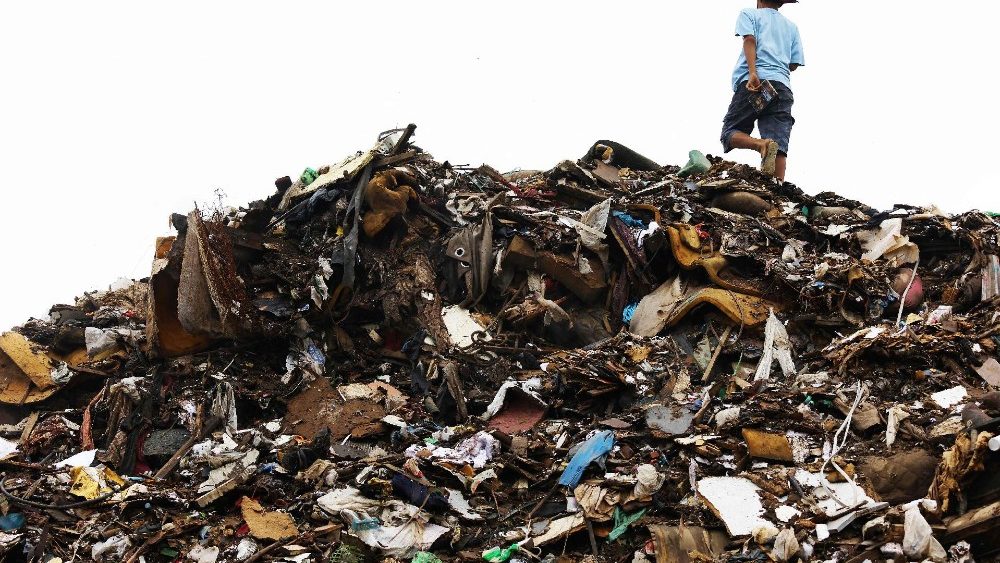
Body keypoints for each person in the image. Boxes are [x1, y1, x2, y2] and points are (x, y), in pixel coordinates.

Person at [720, 0, 804, 181]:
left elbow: (749, 40)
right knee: (778, 145)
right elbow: (794, 64)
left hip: (756, 84)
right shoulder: (791, 27)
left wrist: (753, 73)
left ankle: (760, 144)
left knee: (730, 131)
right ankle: (777, 191)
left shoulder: (749, 14)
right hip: (781, 87)